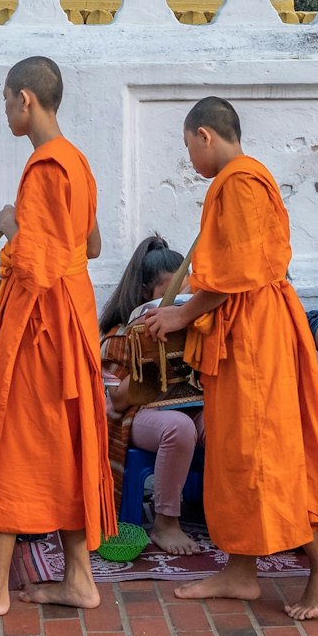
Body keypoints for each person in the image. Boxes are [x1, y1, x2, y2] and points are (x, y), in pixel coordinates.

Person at [142, 99, 318, 619]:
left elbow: (237, 273)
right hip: (249, 330)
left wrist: (180, 315)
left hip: (256, 333)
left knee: (262, 453)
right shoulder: (243, 179)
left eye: (188, 144)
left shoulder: (238, 181)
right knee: (237, 452)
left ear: (206, 135)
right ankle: (240, 571)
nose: (189, 157)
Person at [0, 56, 114, 618]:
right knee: (64, 445)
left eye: (9, 100)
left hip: (41, 330)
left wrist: (13, 227)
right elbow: (91, 247)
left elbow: (36, 266)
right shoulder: (78, 163)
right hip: (73, 324)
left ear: (25, 100)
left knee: (15, 447)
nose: (9, 111)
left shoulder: (44, 167)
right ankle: (80, 578)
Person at [101, 235, 200, 556]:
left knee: (228, 419)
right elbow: (117, 401)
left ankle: (223, 510)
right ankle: (165, 522)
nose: (180, 303)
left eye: (187, 294)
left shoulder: (195, 326)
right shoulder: (119, 334)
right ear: (146, 294)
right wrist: (153, 357)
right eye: (170, 294)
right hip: (137, 414)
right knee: (179, 427)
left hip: (190, 406)